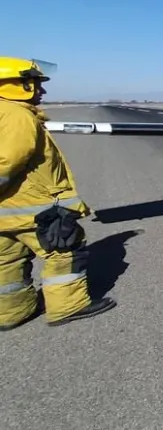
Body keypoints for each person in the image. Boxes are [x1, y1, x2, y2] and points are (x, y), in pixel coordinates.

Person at [0, 57, 116, 330]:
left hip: (5, 211)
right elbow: (8, 161)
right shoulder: (16, 115)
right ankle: (68, 306)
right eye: (34, 84)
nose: (41, 90)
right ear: (13, 84)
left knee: (7, 261)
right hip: (33, 208)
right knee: (63, 251)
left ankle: (11, 312)